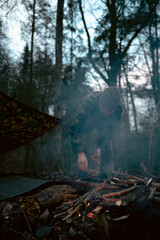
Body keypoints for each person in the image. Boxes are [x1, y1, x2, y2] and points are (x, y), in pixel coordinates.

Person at [69, 86, 123, 177]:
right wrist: (80, 152)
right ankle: (82, 175)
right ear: (101, 101)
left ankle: (105, 176)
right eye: (104, 110)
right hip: (87, 122)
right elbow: (75, 129)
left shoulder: (118, 109)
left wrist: (99, 147)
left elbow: (108, 132)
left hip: (102, 125)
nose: (106, 114)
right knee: (82, 142)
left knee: (107, 144)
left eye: (110, 112)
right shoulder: (88, 103)